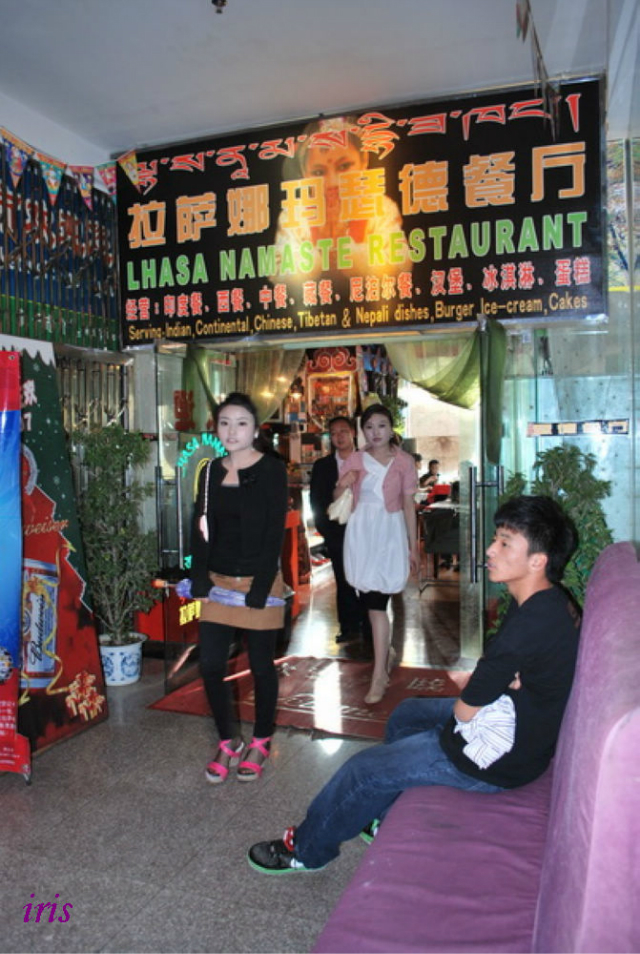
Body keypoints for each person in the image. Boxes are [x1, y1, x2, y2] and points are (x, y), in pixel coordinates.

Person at [247, 494, 580, 874]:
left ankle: (305, 850)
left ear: (538, 560)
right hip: (517, 726)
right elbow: (523, 669)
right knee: (408, 714)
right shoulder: (550, 601)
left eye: (505, 543)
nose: (490, 549)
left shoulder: (528, 624)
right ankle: (383, 814)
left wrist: (498, 685)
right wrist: (509, 681)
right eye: (496, 538)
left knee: (363, 771)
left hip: (496, 757)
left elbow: (465, 711)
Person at [190, 391, 288, 785]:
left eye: (241, 423)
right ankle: (228, 739)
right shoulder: (210, 470)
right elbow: (200, 524)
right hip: (218, 582)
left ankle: (261, 740)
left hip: (258, 580)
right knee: (211, 664)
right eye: (225, 423)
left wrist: (261, 585)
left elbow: (273, 532)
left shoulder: (272, 469)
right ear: (216, 428)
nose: (232, 431)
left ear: (255, 429)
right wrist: (199, 575)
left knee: (261, 666)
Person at [335, 403, 419, 704]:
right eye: (369, 427)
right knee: (371, 601)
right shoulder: (356, 459)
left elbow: (409, 506)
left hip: (389, 532)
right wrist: (343, 484)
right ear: (363, 431)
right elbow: (337, 497)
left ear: (391, 428)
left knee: (376, 604)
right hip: (361, 532)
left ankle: (379, 674)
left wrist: (413, 547)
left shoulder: (404, 462)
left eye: (381, 425)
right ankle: (384, 658)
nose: (376, 432)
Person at [273, 116, 410, 292]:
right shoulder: (295, 214)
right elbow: (281, 277)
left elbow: (401, 268)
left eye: (344, 167)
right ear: (304, 173)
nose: (333, 183)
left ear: (364, 161)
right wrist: (319, 250)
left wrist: (347, 250)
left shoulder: (381, 208)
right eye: (318, 172)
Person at [309, 416, 369, 645]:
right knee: (343, 581)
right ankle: (348, 626)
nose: (339, 437)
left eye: (343, 431)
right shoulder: (322, 466)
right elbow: (317, 502)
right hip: (337, 533)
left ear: (353, 432)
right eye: (333, 433)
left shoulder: (367, 460)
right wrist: (327, 532)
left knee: (367, 579)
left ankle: (370, 626)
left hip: (365, 531)